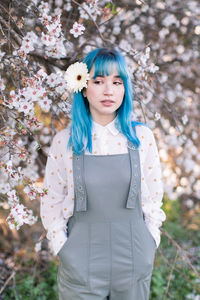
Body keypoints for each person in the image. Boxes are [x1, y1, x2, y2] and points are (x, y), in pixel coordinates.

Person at [40, 47, 166, 300]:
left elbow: (153, 199)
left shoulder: (142, 138)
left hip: (132, 259)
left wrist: (150, 243)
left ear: (124, 89)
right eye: (99, 81)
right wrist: (62, 248)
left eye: (117, 82)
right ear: (84, 88)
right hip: (80, 262)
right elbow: (51, 202)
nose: (108, 90)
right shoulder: (65, 142)